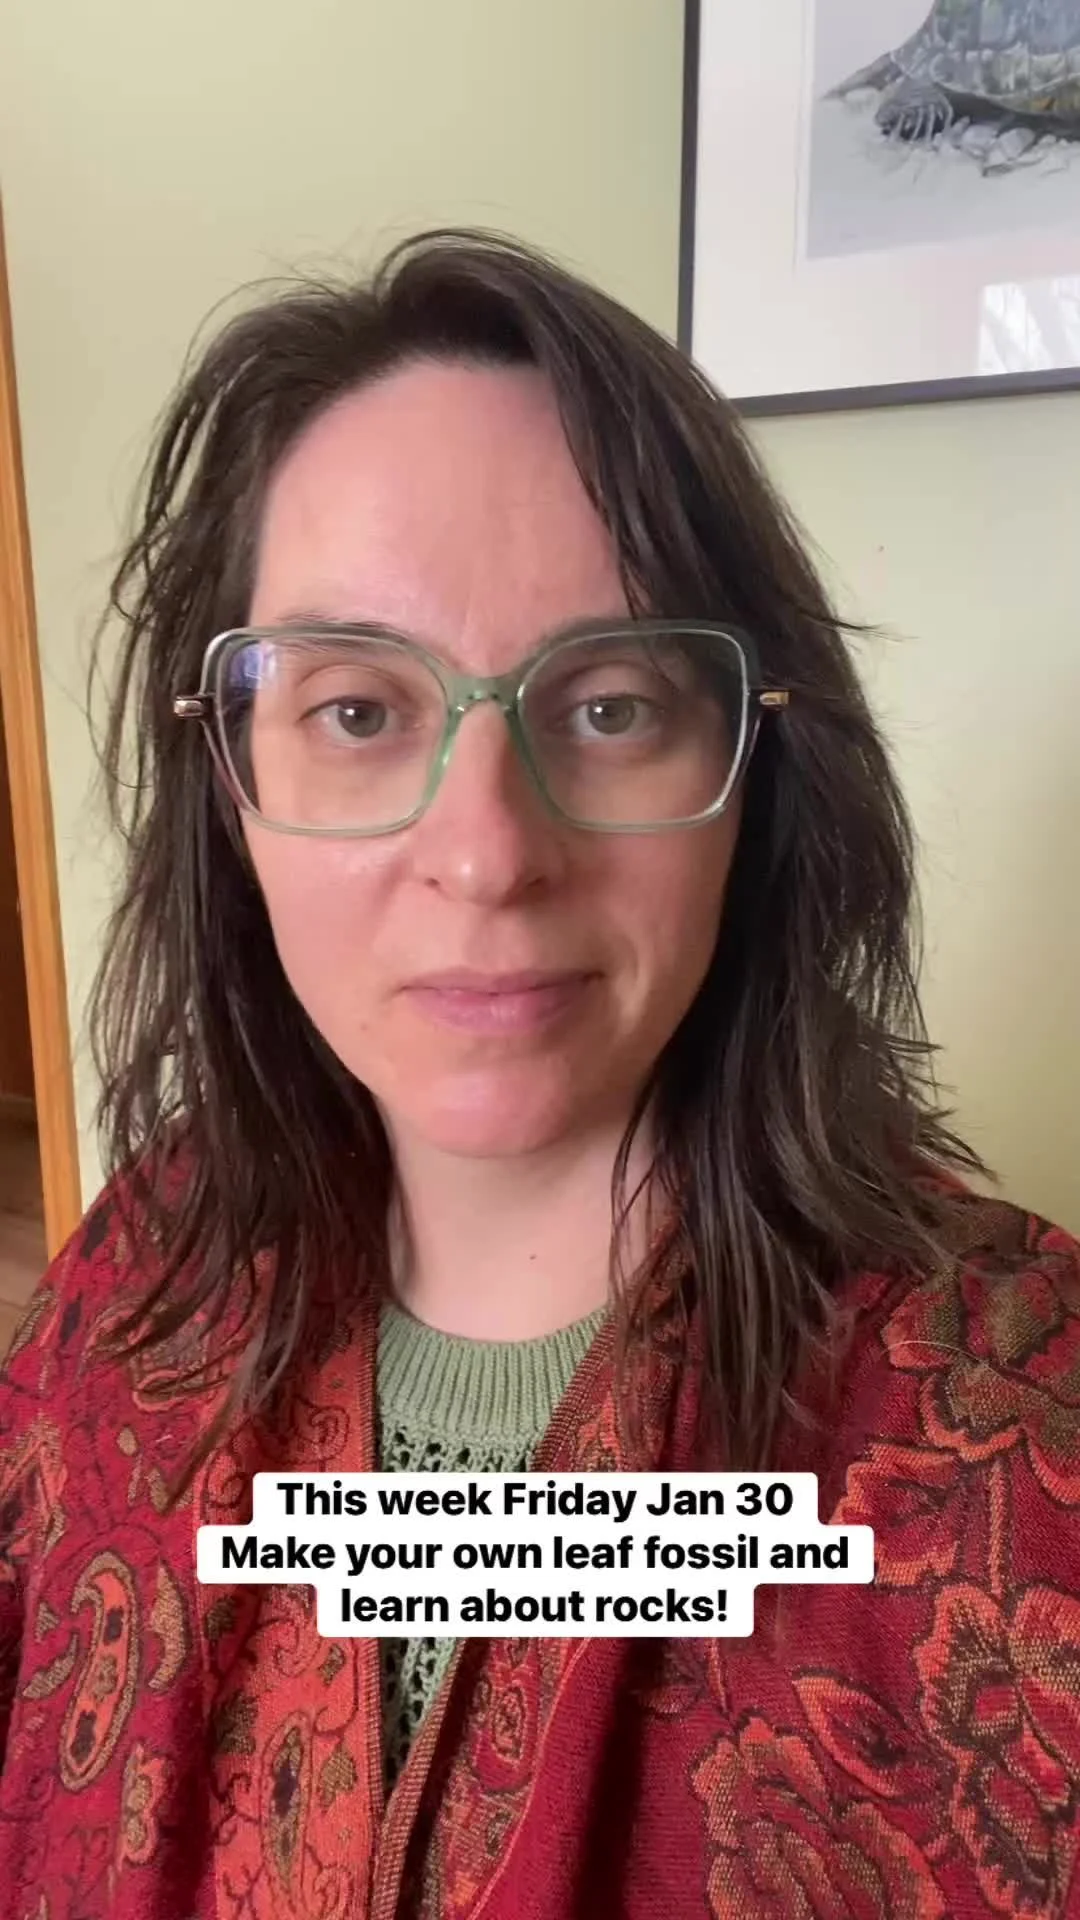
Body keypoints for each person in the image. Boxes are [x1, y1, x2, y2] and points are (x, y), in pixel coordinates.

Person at [1, 229, 1077, 1920]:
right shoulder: (125, 1292)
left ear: (757, 769)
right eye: (359, 712)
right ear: (230, 787)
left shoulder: (1029, 1444)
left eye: (613, 705)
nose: (490, 853)